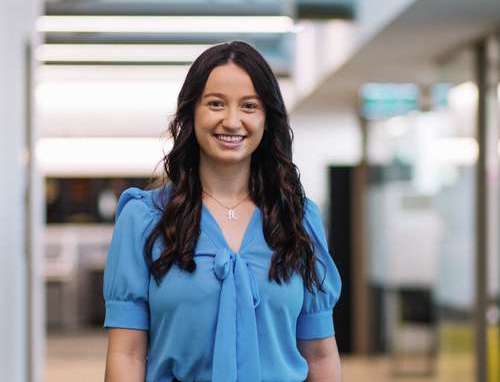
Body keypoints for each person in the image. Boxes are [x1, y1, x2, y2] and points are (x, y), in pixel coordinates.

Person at [102, 41, 342, 382]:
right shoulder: (144, 219)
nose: (232, 121)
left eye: (249, 106)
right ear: (192, 112)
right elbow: (127, 353)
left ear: (266, 118)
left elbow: (320, 355)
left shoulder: (299, 220)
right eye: (216, 103)